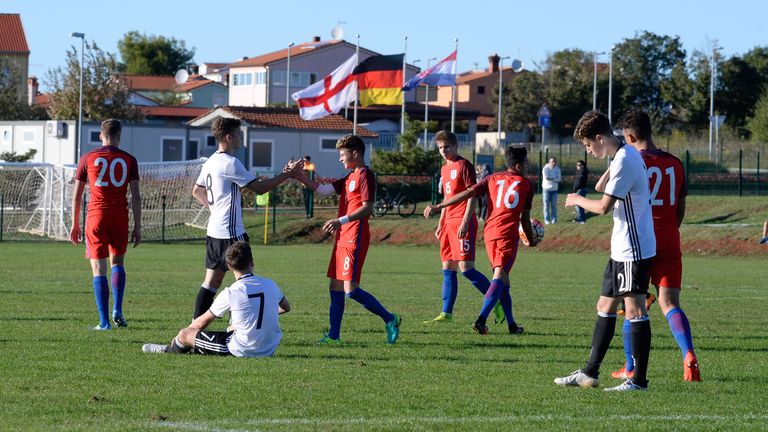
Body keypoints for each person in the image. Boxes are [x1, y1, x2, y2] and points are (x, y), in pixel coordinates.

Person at [555, 111, 655, 392]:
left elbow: (601, 207)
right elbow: (602, 186)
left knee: (635, 310)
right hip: (621, 249)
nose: (588, 151)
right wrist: (608, 164)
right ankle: (589, 373)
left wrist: (576, 199)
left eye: (588, 145)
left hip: (633, 249)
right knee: (604, 306)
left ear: (600, 138)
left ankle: (638, 381)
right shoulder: (622, 155)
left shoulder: (624, 158)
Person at [609, 108, 700, 382]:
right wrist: (670, 230)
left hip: (639, 241)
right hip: (670, 237)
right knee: (670, 303)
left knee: (630, 303)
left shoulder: (630, 160)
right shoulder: (675, 163)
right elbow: (680, 208)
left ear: (630, 135)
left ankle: (629, 366)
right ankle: (688, 353)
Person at [191, 117, 302, 319]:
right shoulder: (230, 163)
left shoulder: (211, 161)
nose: (242, 137)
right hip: (232, 233)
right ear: (229, 136)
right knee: (244, 283)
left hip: (214, 231)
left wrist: (215, 210)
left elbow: (197, 191)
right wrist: (287, 175)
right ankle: (240, 326)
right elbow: (259, 188)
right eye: (239, 134)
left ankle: (193, 329)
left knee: (210, 283)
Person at [295, 134, 401, 345]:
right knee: (334, 287)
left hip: (355, 236)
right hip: (342, 237)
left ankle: (390, 319)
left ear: (356, 153)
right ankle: (334, 336)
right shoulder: (349, 177)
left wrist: (340, 220)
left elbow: (367, 208)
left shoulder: (365, 175)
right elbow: (324, 191)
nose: (340, 159)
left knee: (350, 291)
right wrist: (299, 177)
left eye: (342, 155)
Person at [424, 146, 538, 336]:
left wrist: (440, 205)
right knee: (499, 276)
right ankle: (481, 319)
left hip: (490, 233)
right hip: (507, 234)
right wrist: (531, 240)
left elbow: (468, 193)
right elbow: (525, 219)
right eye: (526, 163)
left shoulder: (491, 178)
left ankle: (512, 325)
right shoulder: (525, 184)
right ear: (518, 166)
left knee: (504, 279)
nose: (527, 166)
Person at [142, 241, 291, 357]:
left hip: (241, 350)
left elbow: (200, 323)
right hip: (269, 349)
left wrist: (186, 334)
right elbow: (286, 307)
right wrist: (261, 315)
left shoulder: (231, 292)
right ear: (252, 262)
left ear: (229, 266)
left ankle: (169, 350)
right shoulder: (271, 284)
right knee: (231, 329)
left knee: (185, 334)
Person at [69, 119, 141, 330]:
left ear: (101, 136)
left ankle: (104, 322)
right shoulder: (129, 160)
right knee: (117, 263)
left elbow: (76, 197)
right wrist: (138, 226)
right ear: (119, 136)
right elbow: (136, 197)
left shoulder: (87, 158)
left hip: (96, 215)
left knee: (98, 269)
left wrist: (75, 224)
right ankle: (117, 309)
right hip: (119, 216)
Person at [423, 131, 494, 323]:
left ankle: (496, 301)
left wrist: (464, 221)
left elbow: (472, 194)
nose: (443, 151)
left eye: (447, 147)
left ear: (455, 146)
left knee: (466, 268)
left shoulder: (464, 165)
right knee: (447, 266)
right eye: (440, 148)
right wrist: (441, 223)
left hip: (462, 222)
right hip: (448, 223)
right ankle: (446, 313)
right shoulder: (445, 169)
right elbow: (447, 198)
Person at [541, 157, 561, 224]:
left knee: (554, 206)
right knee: (546, 206)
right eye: (552, 161)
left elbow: (559, 179)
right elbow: (546, 178)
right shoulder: (545, 168)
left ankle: (554, 220)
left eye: (554, 161)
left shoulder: (558, 169)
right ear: (549, 162)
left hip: (555, 190)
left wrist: (552, 179)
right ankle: (546, 220)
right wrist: (555, 178)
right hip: (546, 190)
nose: (553, 163)